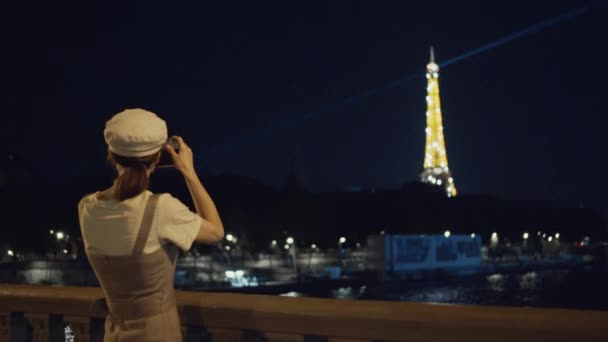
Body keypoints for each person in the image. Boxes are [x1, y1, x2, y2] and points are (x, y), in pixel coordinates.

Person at [78, 108, 224, 341]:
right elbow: (216, 232)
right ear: (158, 157)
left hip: (114, 332)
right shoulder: (160, 208)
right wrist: (189, 172)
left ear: (111, 154)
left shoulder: (87, 207)